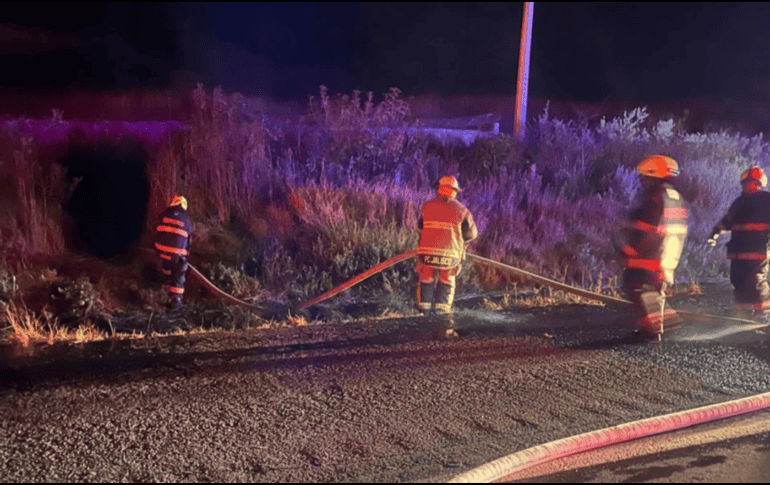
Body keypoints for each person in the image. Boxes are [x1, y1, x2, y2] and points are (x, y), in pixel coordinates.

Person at [620, 155, 688, 339]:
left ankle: (654, 327)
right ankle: (660, 323)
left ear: (654, 176)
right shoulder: (676, 197)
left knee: (636, 284)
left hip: (650, 254)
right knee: (655, 290)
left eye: (646, 177)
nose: (643, 181)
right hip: (669, 255)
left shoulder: (655, 197)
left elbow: (648, 228)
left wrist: (632, 249)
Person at [707, 166, 770, 319]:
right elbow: (727, 221)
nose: (750, 186)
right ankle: (742, 312)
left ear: (760, 183)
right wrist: (715, 233)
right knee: (738, 279)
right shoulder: (739, 202)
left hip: (758, 249)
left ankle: (764, 313)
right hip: (739, 251)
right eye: (747, 183)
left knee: (756, 280)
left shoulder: (767, 200)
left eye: (753, 183)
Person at [416, 175, 478, 315]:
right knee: (447, 279)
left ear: (439, 189)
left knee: (426, 277)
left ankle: (423, 313)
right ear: (455, 191)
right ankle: (441, 314)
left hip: (427, 254)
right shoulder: (462, 210)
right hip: (450, 256)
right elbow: (472, 234)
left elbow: (420, 227)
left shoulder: (426, 206)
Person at [154, 195, 193, 309]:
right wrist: (185, 255)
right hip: (175, 255)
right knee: (180, 268)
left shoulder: (163, 215)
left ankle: (164, 280)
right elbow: (189, 242)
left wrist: (158, 248)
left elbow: (156, 231)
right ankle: (176, 299)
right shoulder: (186, 221)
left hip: (160, 251)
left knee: (167, 260)